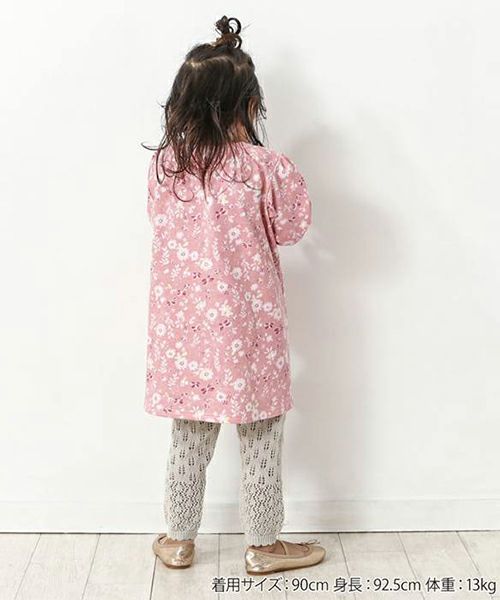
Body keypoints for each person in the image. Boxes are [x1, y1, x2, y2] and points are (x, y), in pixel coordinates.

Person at [143, 15, 326, 575]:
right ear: (246, 105)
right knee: (261, 435)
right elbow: (292, 228)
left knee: (189, 436)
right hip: (252, 331)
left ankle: (178, 539)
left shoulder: (166, 167)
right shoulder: (264, 168)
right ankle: (264, 545)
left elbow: (159, 225)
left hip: (185, 335)